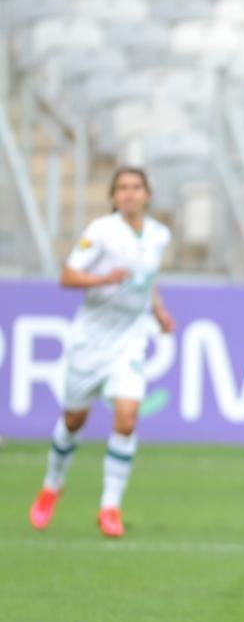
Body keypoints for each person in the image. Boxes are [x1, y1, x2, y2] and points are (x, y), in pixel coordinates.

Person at [29, 166, 175, 538]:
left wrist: (157, 310)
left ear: (147, 194)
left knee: (127, 418)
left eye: (136, 187)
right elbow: (66, 276)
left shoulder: (158, 235)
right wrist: (102, 279)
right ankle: (51, 485)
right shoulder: (100, 232)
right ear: (113, 197)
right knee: (74, 420)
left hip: (129, 338)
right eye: (122, 188)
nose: (129, 194)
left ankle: (110, 506)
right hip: (90, 341)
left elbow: (147, 279)